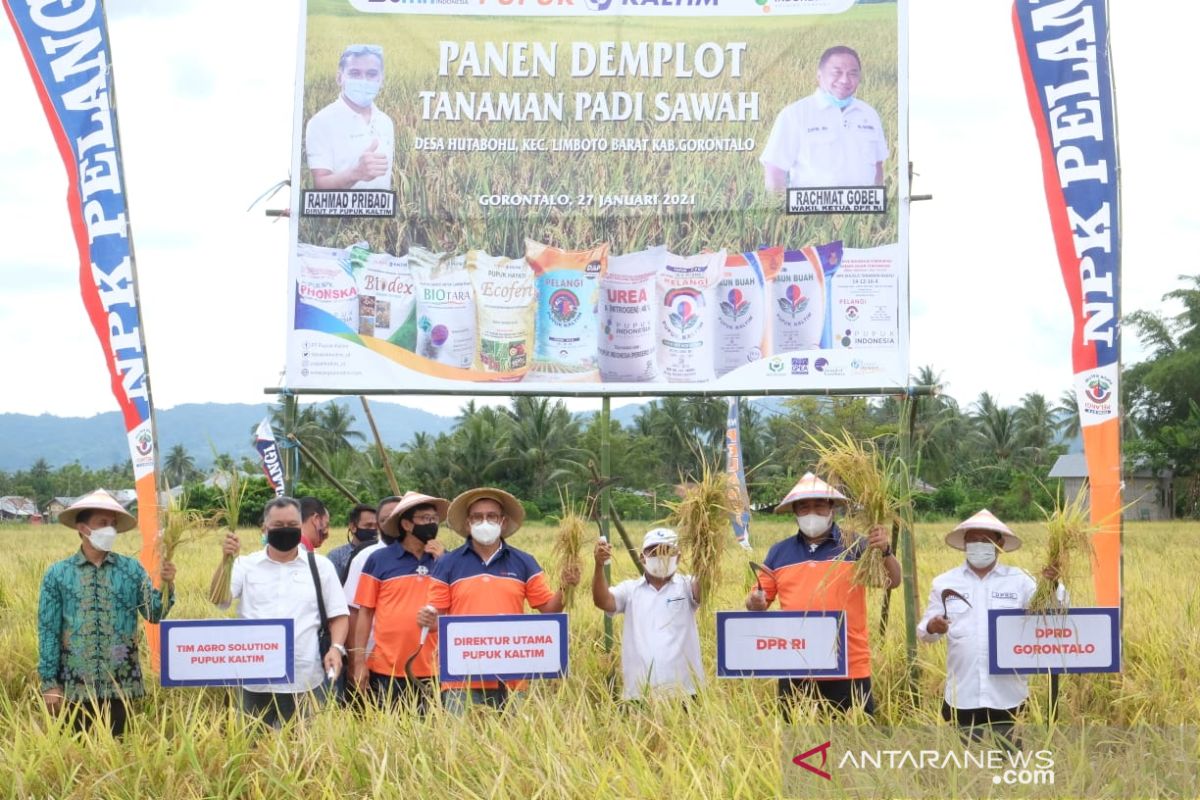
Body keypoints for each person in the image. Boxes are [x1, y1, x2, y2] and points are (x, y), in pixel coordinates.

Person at [746, 472, 900, 718]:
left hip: (849, 663)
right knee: (798, 743)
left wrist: (885, 551)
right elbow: (758, 602)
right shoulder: (779, 552)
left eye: (819, 505)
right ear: (795, 512)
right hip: (796, 662)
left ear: (832, 509)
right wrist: (755, 601)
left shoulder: (857, 545)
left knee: (853, 742)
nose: (812, 513)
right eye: (804, 507)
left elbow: (892, 581)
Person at [416, 487, 581, 714]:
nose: (485, 522)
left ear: (502, 522)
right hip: (461, 679)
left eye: (491, 516)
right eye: (477, 517)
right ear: (467, 524)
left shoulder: (524, 562)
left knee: (512, 742)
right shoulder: (448, 563)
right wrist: (427, 619)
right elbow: (438, 622)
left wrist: (565, 587)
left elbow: (549, 609)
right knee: (461, 745)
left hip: (512, 677)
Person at [37, 490, 176, 737]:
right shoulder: (58, 575)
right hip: (74, 686)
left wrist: (166, 585)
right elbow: (48, 630)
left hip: (121, 684)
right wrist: (49, 683)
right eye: (102, 523)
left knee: (120, 756)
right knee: (76, 757)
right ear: (83, 528)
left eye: (112, 525)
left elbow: (153, 614)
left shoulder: (131, 570)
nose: (109, 530)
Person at [917, 509, 1062, 743]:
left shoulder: (1020, 580)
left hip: (1008, 694)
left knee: (1008, 764)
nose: (977, 546)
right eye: (972, 540)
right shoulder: (944, 583)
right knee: (964, 767)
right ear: (964, 544)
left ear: (1000, 543)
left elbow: (1052, 611)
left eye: (985, 541)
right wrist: (934, 626)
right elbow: (925, 632)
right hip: (962, 693)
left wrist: (1052, 583)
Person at [211, 496, 349, 728]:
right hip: (253, 679)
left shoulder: (320, 566)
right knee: (250, 748)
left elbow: (339, 615)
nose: (286, 531)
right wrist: (226, 560)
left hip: (306, 676)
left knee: (307, 749)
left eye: (292, 526)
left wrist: (336, 647)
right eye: (278, 526)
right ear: (264, 527)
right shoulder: (245, 565)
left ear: (300, 526)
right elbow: (219, 600)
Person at [351, 492, 449, 712]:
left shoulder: (447, 560)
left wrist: (443, 563)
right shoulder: (378, 560)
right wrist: (359, 662)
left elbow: (457, 609)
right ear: (406, 524)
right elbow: (365, 613)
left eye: (434, 519)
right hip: (387, 668)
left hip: (436, 668)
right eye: (425, 519)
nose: (431, 524)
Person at [592, 528, 703, 702]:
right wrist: (599, 566)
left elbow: (703, 590)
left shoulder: (687, 586)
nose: (661, 557)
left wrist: (705, 552)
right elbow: (603, 601)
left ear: (679, 557)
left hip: (686, 692)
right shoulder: (630, 590)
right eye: (654, 552)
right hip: (639, 693)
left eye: (668, 551)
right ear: (642, 558)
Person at [760, 45, 888, 192]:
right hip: (812, 213)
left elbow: (878, 167)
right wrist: (780, 212)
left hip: (863, 212)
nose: (845, 80)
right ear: (819, 76)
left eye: (852, 74)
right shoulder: (794, 114)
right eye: (836, 73)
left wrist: (878, 210)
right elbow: (775, 170)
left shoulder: (869, 114)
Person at [305, 43, 394, 191]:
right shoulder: (321, 122)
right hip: (341, 214)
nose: (363, 80)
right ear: (340, 78)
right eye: (355, 73)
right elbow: (319, 185)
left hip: (381, 213)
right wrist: (356, 173)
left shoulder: (386, 122)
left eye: (371, 74)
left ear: (381, 80)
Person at [327, 503, 379, 584]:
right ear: (353, 527)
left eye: (376, 526)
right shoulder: (337, 556)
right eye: (368, 525)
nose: (373, 529)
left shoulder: (384, 553)